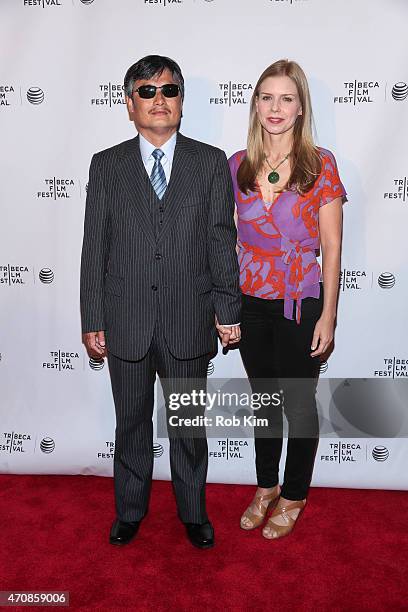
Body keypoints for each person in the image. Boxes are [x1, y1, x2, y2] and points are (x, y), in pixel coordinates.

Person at [80, 55, 241, 549]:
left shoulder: (210, 161)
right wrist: (92, 316)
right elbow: (95, 246)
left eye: (169, 91)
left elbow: (220, 239)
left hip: (188, 319)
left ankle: (193, 512)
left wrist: (228, 310)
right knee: (130, 422)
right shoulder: (106, 165)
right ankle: (130, 510)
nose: (159, 100)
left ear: (181, 101)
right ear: (130, 104)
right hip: (125, 318)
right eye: (147, 91)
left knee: (188, 427)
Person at [228, 59, 346, 539]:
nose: (275, 108)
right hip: (251, 299)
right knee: (263, 403)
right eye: (267, 97)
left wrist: (330, 316)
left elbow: (333, 246)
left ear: (300, 109)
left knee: (298, 404)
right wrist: (225, 306)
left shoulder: (321, 163)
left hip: (301, 299)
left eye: (286, 99)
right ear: (256, 105)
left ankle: (294, 493)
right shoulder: (239, 164)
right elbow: (227, 238)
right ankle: (264, 487)